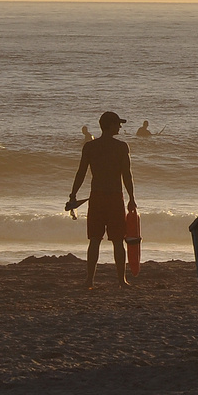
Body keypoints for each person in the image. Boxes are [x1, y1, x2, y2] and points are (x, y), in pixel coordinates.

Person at [68, 110, 136, 290]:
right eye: (118, 124)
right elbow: (127, 176)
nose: (120, 127)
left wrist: (73, 194)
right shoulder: (122, 147)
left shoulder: (90, 147)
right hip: (114, 197)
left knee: (95, 239)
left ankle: (89, 280)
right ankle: (121, 281)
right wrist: (131, 198)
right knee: (117, 240)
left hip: (96, 197)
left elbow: (81, 173)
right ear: (110, 125)